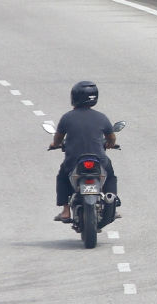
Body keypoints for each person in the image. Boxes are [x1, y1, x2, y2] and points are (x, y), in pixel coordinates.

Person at [50, 81, 118, 222]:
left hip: (73, 161)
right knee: (110, 175)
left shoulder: (67, 117)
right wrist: (111, 144)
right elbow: (111, 138)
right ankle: (111, 204)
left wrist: (54, 144)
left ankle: (65, 211)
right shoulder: (102, 117)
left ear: (74, 97)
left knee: (62, 177)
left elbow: (58, 139)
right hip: (99, 160)